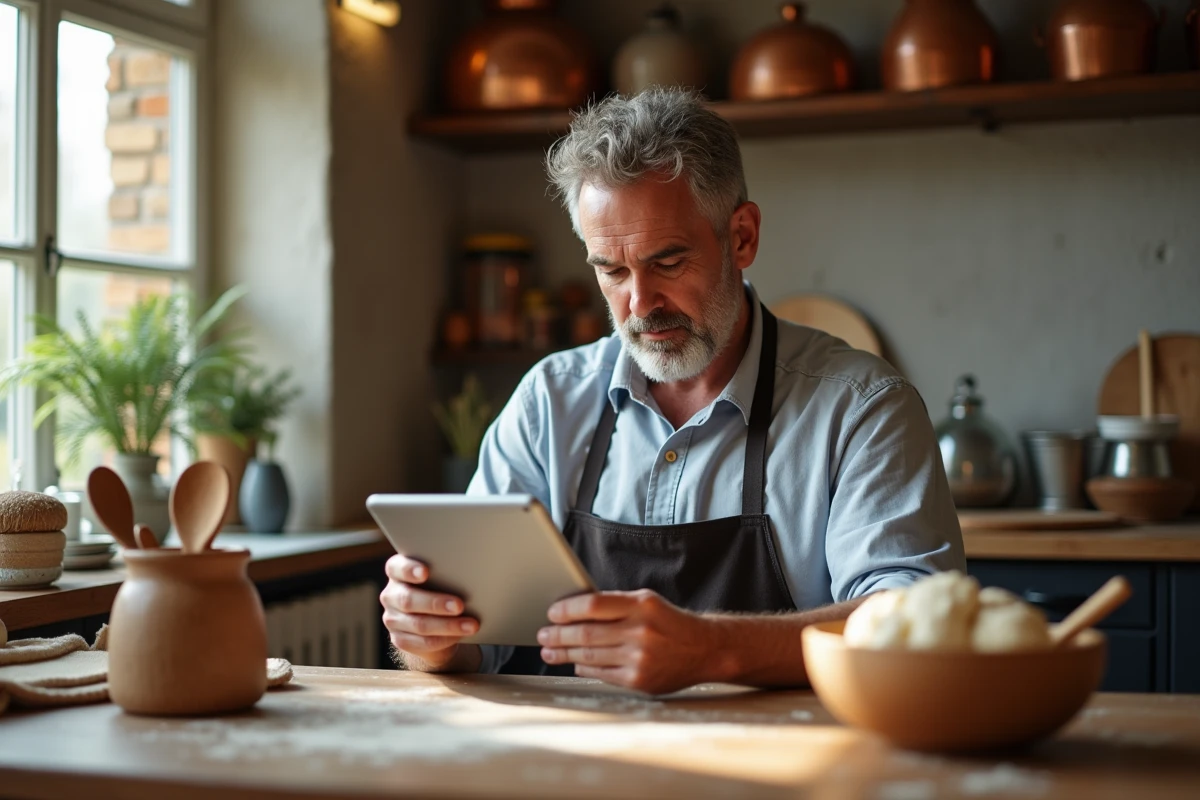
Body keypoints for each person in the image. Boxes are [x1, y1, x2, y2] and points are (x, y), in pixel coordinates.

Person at [381, 88, 965, 695]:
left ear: (741, 237)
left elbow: (912, 627)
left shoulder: (861, 409)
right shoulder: (548, 404)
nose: (640, 304)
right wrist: (432, 638)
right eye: (612, 270)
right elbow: (476, 637)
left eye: (667, 262)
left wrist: (713, 650)